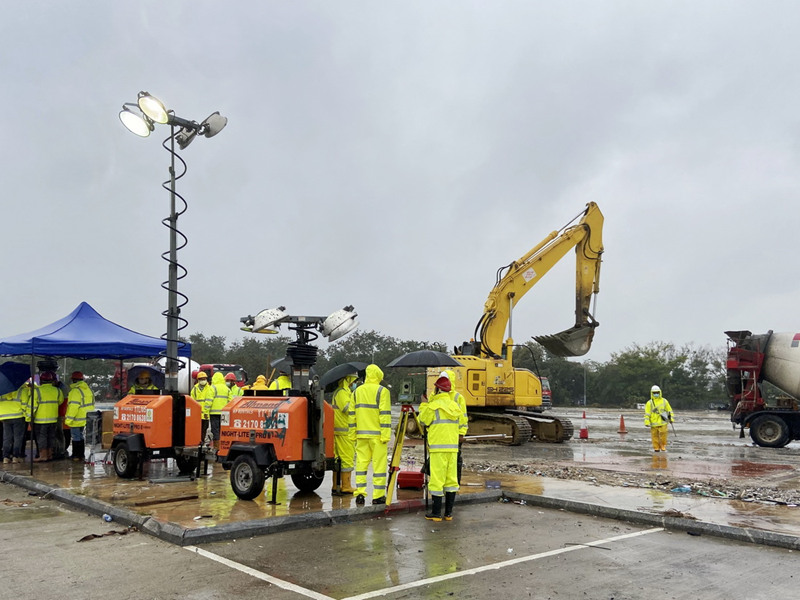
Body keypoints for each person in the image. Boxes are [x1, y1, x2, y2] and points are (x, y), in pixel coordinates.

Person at [417, 376, 466, 521]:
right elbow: (462, 423)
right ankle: (449, 513)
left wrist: (424, 404)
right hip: (452, 449)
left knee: (437, 481)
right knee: (451, 480)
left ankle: (436, 513)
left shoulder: (433, 406)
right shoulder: (455, 406)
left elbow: (423, 420)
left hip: (438, 448)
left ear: (438, 389)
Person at [353, 364, 392, 505]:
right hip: (377, 436)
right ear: (379, 375)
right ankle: (378, 496)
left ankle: (360, 494)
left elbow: (352, 415)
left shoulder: (357, 391)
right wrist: (385, 435)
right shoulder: (382, 391)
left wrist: (352, 434)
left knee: (361, 465)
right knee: (379, 466)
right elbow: (385, 415)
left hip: (361, 435)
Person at [440, 369, 468, 483]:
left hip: (453, 435)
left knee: (455, 461)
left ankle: (455, 482)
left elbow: (463, 418)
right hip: (440, 435)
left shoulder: (457, 397)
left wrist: (461, 433)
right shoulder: (435, 396)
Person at [30, 372, 65, 462]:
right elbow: (60, 401)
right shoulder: (57, 391)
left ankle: (43, 456)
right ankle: (49, 455)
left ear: (41, 381)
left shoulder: (37, 391)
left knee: (42, 437)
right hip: (53, 418)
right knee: (51, 437)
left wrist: (29, 417)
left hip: (40, 420)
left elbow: (32, 406)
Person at [331, 375, 357, 494]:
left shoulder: (343, 392)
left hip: (340, 430)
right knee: (347, 458)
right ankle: (346, 486)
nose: (355, 384)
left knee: (338, 459)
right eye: (354, 381)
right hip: (344, 431)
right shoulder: (342, 393)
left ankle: (336, 486)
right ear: (348, 381)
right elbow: (347, 409)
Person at [64, 371, 95, 462]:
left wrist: (68, 420)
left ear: (73, 380)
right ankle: (81, 455)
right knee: (81, 436)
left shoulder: (75, 391)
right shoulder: (88, 390)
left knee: (76, 437)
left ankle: (76, 456)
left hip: (76, 419)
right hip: (86, 418)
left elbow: (73, 407)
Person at [644, 385, 674, 452]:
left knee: (663, 435)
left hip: (663, 422)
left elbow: (669, 410)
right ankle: (656, 448)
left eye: (657, 392)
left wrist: (671, 419)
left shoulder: (664, 401)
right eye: (654, 393)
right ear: (652, 393)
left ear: (660, 392)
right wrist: (646, 422)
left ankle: (663, 446)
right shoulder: (649, 403)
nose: (656, 394)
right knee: (654, 436)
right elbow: (647, 414)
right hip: (653, 423)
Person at [1, 389, 25, 464]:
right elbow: (24, 404)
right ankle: (16, 457)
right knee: (17, 438)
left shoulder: (2, 389)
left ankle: (6, 457)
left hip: (5, 416)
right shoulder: (22, 390)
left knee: (7, 438)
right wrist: (26, 415)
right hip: (18, 416)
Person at [208, 372, 232, 446]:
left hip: (214, 413)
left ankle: (216, 446)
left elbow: (209, 401)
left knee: (215, 430)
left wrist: (205, 411)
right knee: (223, 430)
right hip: (224, 414)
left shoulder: (213, 388)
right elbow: (230, 401)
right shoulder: (227, 389)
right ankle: (223, 446)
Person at [191, 372, 214, 440]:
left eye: (204, 379)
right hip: (197, 414)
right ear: (198, 380)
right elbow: (192, 401)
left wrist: (205, 411)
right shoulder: (194, 389)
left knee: (204, 429)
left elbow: (209, 402)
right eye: (201, 379)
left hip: (205, 414)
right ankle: (198, 441)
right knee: (197, 429)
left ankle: (202, 441)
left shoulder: (210, 388)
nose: (202, 380)